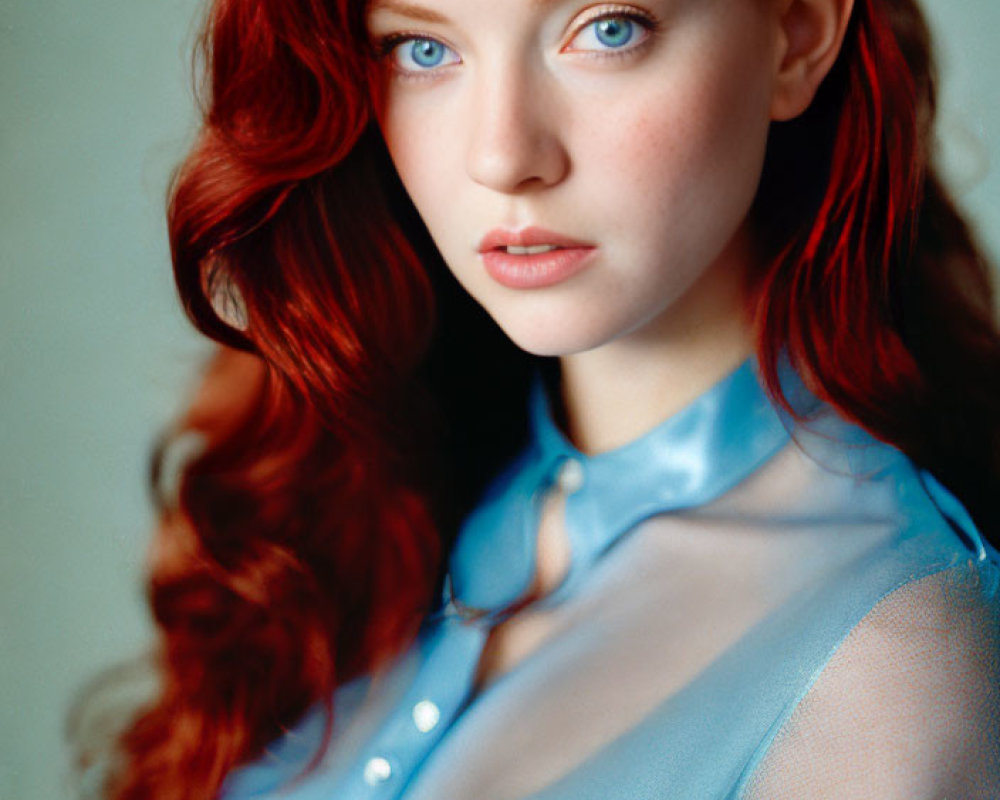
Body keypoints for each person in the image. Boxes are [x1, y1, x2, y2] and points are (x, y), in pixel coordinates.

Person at [97, 0, 1000, 797]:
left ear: (798, 34)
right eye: (421, 48)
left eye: (607, 29)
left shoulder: (892, 660)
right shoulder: (361, 501)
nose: (503, 157)